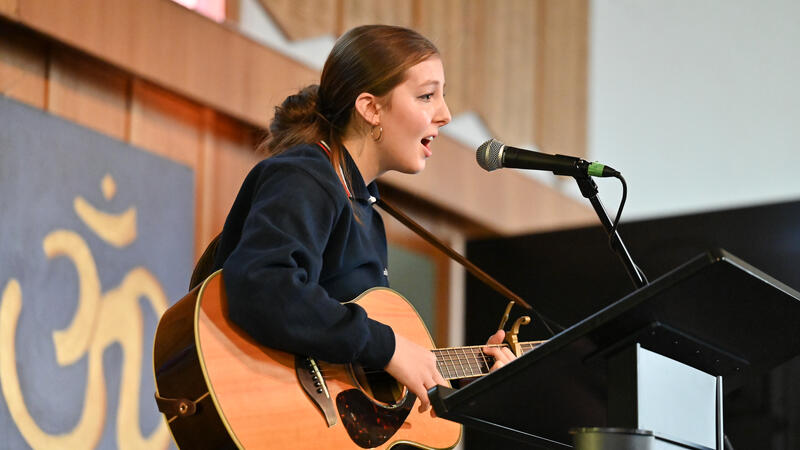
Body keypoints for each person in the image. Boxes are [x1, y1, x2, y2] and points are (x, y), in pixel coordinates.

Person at [210, 24, 514, 416]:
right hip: (258, 406)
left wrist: (465, 378)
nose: (445, 115)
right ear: (371, 108)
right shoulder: (306, 176)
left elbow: (355, 364)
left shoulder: (364, 209)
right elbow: (263, 285)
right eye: (427, 96)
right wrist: (388, 346)